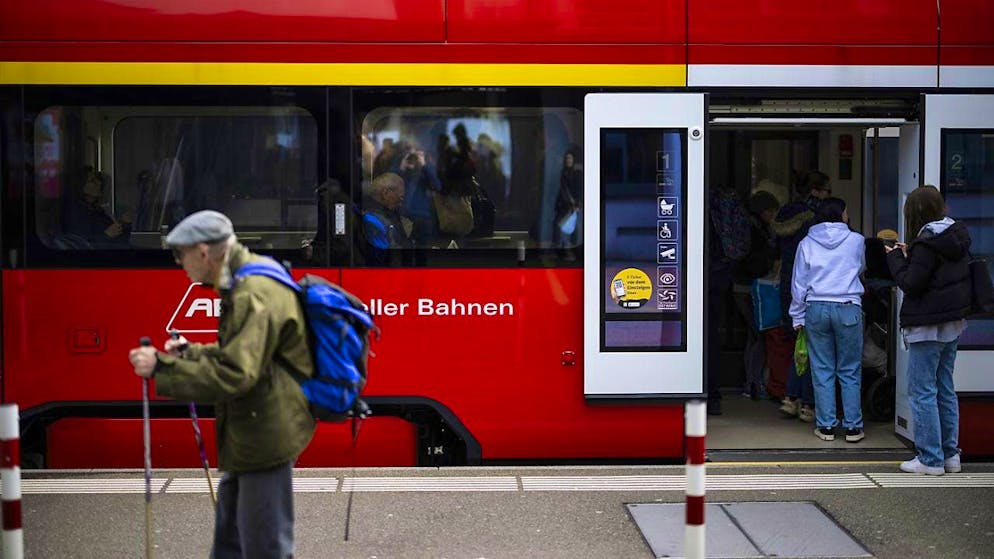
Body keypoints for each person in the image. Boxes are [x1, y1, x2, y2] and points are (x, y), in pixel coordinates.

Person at [127, 210, 316, 558]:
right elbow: (245, 353)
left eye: (179, 254)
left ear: (202, 252)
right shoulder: (243, 279)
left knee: (265, 547)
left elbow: (237, 373)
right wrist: (189, 352)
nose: (178, 264)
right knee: (231, 546)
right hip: (251, 432)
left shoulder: (251, 293)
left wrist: (162, 370)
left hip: (265, 436)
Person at [886, 185, 972, 475]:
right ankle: (950, 455)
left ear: (915, 212)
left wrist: (895, 258)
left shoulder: (926, 243)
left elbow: (911, 283)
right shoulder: (954, 236)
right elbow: (937, 273)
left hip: (927, 326)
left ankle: (930, 459)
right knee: (945, 390)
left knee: (922, 391)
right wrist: (912, 253)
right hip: (952, 324)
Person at [790, 197, 866, 443]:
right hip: (848, 307)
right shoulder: (857, 240)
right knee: (850, 370)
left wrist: (797, 315)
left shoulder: (806, 242)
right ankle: (853, 427)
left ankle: (826, 427)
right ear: (842, 214)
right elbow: (860, 268)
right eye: (846, 212)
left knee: (822, 369)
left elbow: (799, 283)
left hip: (816, 307)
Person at [771, 170, 832, 422]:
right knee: (814, 350)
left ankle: (791, 397)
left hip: (790, 282)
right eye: (827, 190)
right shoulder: (821, 218)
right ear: (816, 191)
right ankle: (807, 403)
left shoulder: (784, 213)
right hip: (816, 287)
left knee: (799, 344)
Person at [732, 190, 780, 400]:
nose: (772, 216)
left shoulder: (749, 227)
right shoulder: (754, 231)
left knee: (753, 335)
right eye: (770, 212)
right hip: (749, 286)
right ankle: (753, 382)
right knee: (759, 334)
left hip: (741, 286)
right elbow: (753, 260)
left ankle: (750, 382)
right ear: (762, 211)